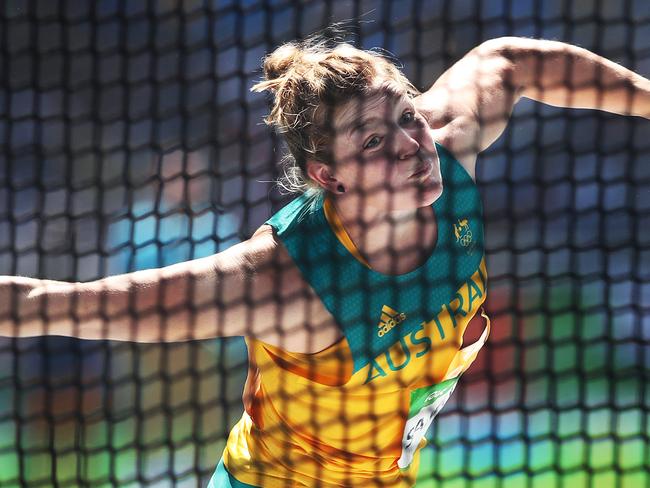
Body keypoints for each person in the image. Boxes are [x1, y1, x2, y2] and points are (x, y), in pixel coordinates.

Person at [1, 33, 649, 487]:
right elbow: (48, 304)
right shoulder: (282, 284)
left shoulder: (446, 148)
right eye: (372, 139)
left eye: (406, 117)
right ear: (328, 174)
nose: (410, 148)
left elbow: (510, 60)